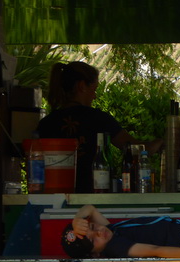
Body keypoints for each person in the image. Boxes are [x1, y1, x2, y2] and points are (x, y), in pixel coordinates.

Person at [36, 61, 162, 193]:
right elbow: (136, 149)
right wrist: (160, 142)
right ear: (82, 86)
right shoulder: (98, 119)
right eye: (94, 89)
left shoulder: (46, 123)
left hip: (53, 201)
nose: (95, 96)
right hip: (92, 197)